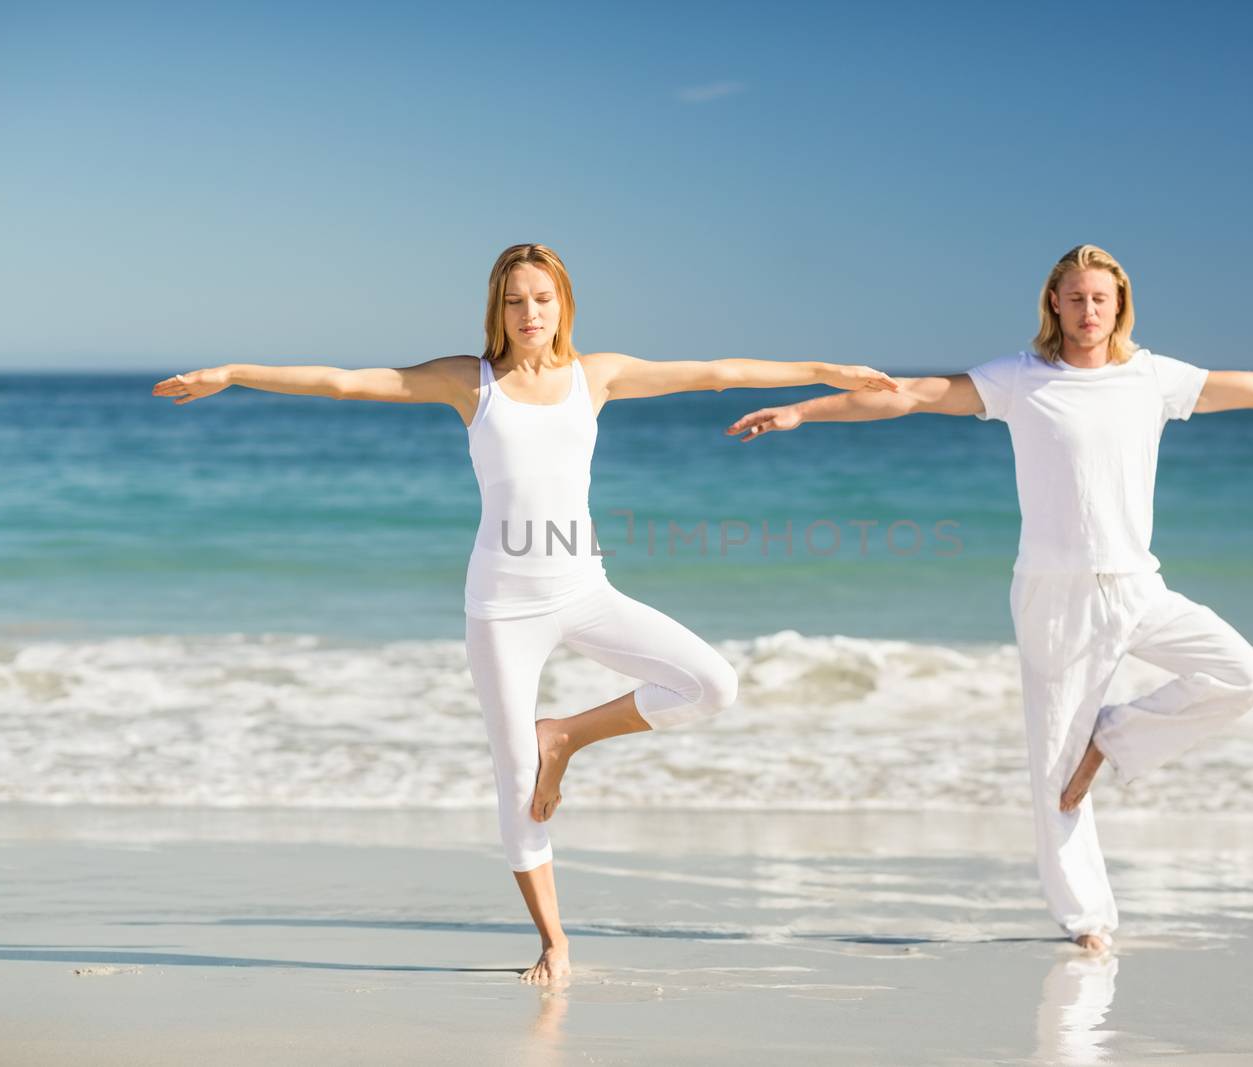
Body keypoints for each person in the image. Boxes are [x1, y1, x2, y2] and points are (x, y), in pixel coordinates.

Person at [153, 242, 898, 983]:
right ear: (496, 309)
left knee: (713, 684)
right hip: (503, 609)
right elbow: (349, 382)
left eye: (542, 298)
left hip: (584, 589)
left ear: (563, 303)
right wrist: (234, 372)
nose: (529, 312)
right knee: (515, 781)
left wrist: (823, 371)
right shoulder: (469, 382)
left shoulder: (595, 376)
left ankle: (566, 734)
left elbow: (716, 373)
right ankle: (554, 940)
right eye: (515, 300)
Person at [726, 244, 1253, 952]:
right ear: (1054, 305)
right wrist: (803, 412)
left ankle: (1115, 735)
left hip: (1136, 582)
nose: (1088, 309)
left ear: (1119, 305)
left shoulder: (1153, 377)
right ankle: (1087, 919)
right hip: (1053, 592)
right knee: (1055, 771)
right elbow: (908, 394)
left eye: (1101, 297)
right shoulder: (1020, 379)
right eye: (1075, 297)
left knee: (1242, 675)